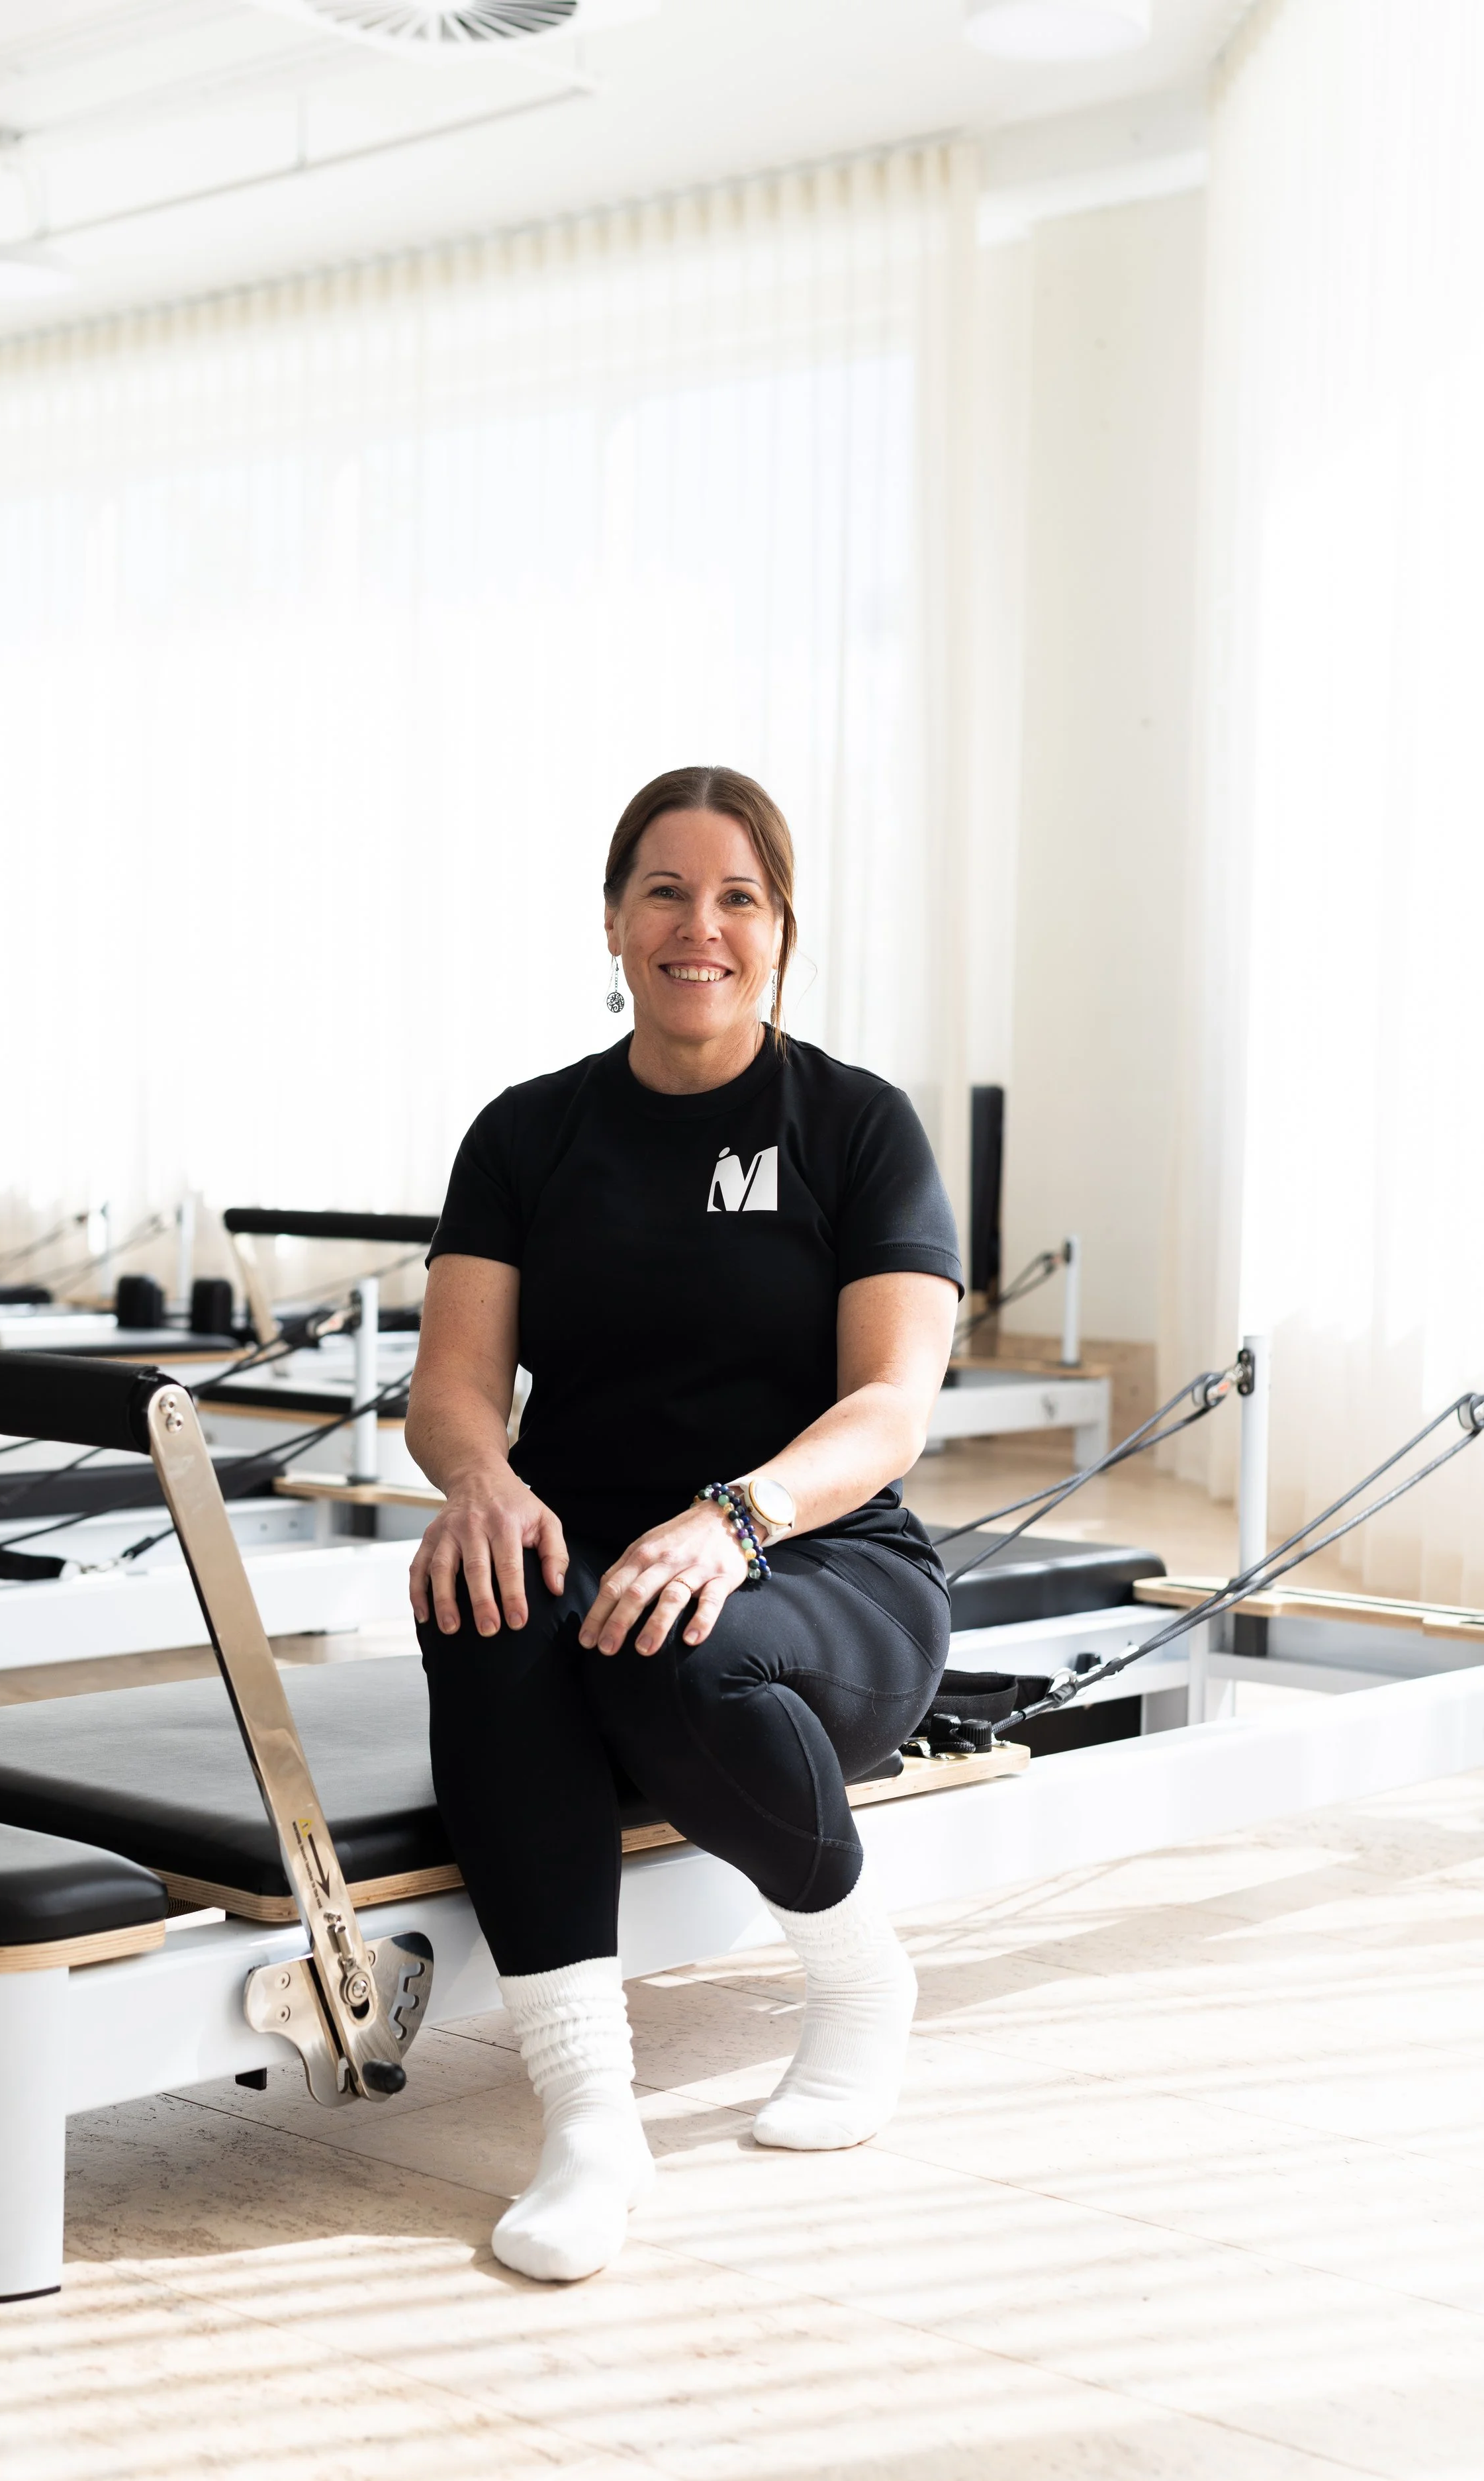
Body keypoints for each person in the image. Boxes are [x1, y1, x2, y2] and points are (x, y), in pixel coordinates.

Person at [406, 764, 962, 2284]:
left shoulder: (853, 1125)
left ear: (781, 928)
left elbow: (887, 1410)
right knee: (485, 1591)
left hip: (821, 1559)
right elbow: (449, 1388)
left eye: (736, 896)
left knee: (672, 1644)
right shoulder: (526, 1134)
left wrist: (734, 1515)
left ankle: (858, 1979)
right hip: (585, 1543)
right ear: (610, 918)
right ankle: (590, 2116)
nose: (695, 926)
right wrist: (482, 1479)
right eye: (663, 890)